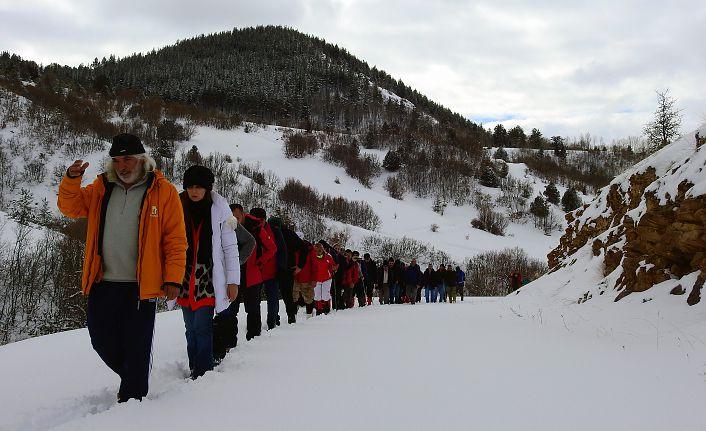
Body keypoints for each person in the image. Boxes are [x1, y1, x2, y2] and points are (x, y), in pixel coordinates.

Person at [57, 133, 187, 402]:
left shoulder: (164, 191)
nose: (122, 166)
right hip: (103, 281)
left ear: (142, 160)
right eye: (116, 160)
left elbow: (175, 239)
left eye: (127, 159)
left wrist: (173, 277)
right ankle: (133, 377)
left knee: (137, 346)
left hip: (142, 286)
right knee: (100, 339)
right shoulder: (101, 188)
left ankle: (133, 401)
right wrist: (71, 179)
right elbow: (69, 207)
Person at [177, 166, 239, 379]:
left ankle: (203, 371)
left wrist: (233, 281)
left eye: (199, 187)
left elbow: (231, 248)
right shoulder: (178, 207)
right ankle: (195, 364)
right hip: (183, 278)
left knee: (202, 326)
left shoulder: (221, 210)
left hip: (208, 279)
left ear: (207, 188)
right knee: (189, 328)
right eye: (190, 187)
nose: (194, 191)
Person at [212, 204, 255, 364]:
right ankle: (220, 345)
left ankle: (226, 345)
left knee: (229, 310)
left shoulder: (230, 222)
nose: (235, 218)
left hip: (229, 275)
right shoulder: (213, 217)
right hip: (212, 273)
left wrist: (236, 262)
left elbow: (250, 241)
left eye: (238, 216)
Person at [250, 208, 284, 330]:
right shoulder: (249, 229)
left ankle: (272, 323)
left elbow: (280, 250)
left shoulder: (275, 231)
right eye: (256, 220)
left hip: (272, 272)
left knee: (272, 300)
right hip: (256, 273)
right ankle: (255, 326)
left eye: (261, 220)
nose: (259, 222)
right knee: (255, 302)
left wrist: (280, 268)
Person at [311, 241, 338, 315]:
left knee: (325, 294)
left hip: (327, 278)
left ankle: (326, 308)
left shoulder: (328, 256)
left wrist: (333, 268)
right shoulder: (312, 256)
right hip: (316, 279)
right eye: (316, 251)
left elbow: (333, 264)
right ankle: (319, 310)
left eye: (319, 251)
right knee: (317, 295)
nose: (318, 253)